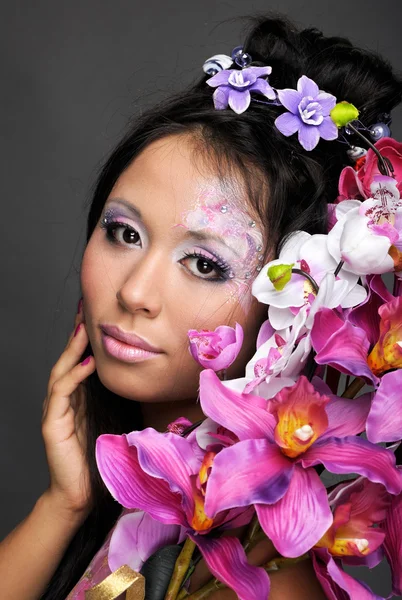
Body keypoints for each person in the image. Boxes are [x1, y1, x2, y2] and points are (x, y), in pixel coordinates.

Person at [0, 12, 401, 600]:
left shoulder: (257, 581)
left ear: (299, 313)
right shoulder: (125, 500)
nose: (134, 292)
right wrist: (64, 504)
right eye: (124, 233)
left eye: (205, 265)